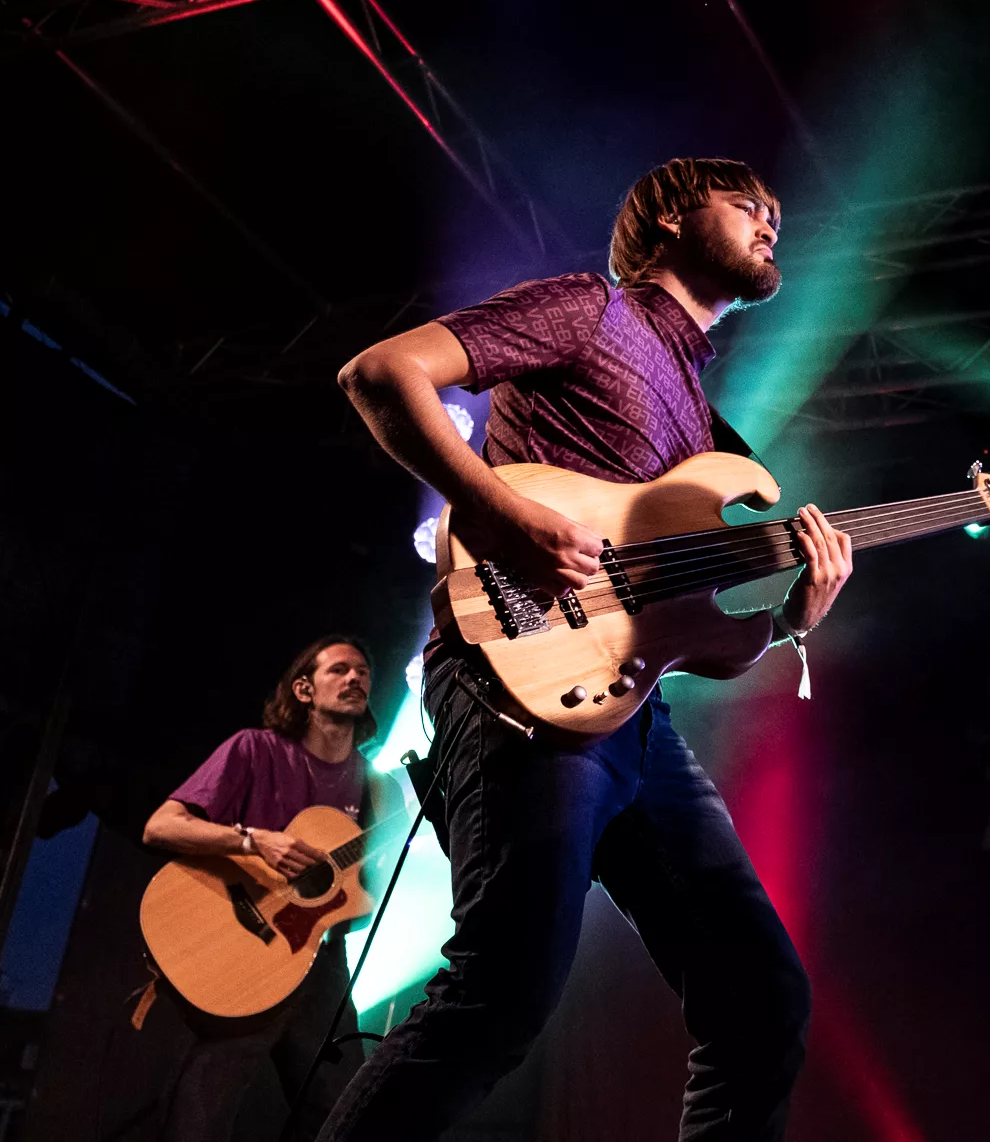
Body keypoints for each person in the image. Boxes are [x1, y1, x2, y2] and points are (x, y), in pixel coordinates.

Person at [324, 158, 854, 1141]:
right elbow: (381, 371)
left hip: (629, 712)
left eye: (776, 211)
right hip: (514, 676)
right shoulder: (588, 309)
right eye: (745, 203)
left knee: (759, 998)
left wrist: (792, 618)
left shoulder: (709, 428)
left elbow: (697, 625)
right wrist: (497, 510)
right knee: (503, 989)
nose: (770, 220)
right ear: (669, 218)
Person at [142, 635, 391, 1142]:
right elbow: (160, 827)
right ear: (303, 689)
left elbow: (364, 898)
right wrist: (253, 840)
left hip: (320, 965)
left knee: (344, 1121)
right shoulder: (254, 749)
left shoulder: (377, 786)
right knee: (199, 1122)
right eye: (339, 669)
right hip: (246, 955)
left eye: (363, 672)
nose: (355, 678)